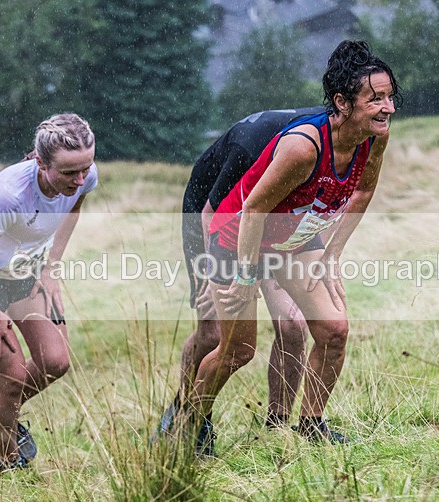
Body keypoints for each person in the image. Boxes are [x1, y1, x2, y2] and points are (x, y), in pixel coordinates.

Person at [188, 40, 400, 456]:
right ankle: (192, 427)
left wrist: (332, 255)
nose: (388, 108)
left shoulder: (374, 138)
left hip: (292, 236)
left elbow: (363, 191)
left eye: (390, 97)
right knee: (236, 351)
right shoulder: (304, 147)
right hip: (237, 237)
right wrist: (247, 275)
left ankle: (310, 425)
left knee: (333, 330)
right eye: (375, 99)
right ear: (342, 102)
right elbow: (252, 210)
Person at [0, 113, 97, 472]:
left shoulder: (84, 176)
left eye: (85, 168)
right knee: (10, 376)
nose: (80, 179)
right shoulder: (11, 194)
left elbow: (73, 209)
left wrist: (51, 266)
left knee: (55, 361)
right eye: (69, 172)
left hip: (21, 266)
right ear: (40, 163)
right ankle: (12, 465)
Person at [158, 106, 327, 436]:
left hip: (273, 217)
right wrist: (213, 276)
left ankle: (276, 426)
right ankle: (187, 414)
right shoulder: (250, 146)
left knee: (292, 325)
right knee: (215, 333)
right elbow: (210, 214)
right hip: (213, 219)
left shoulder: (331, 142)